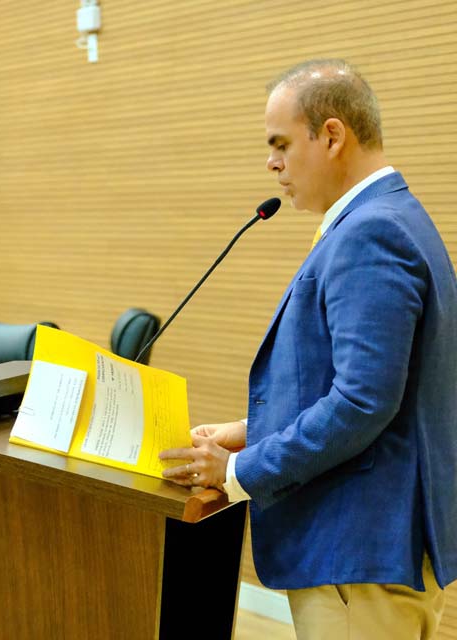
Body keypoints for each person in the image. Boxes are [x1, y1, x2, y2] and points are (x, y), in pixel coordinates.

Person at [159, 59, 456, 639]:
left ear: (332, 135)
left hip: (359, 552)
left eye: (280, 144)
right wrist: (248, 428)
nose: (271, 163)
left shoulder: (373, 232)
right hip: (369, 550)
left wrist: (242, 468)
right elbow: (356, 386)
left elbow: (363, 402)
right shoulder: (391, 217)